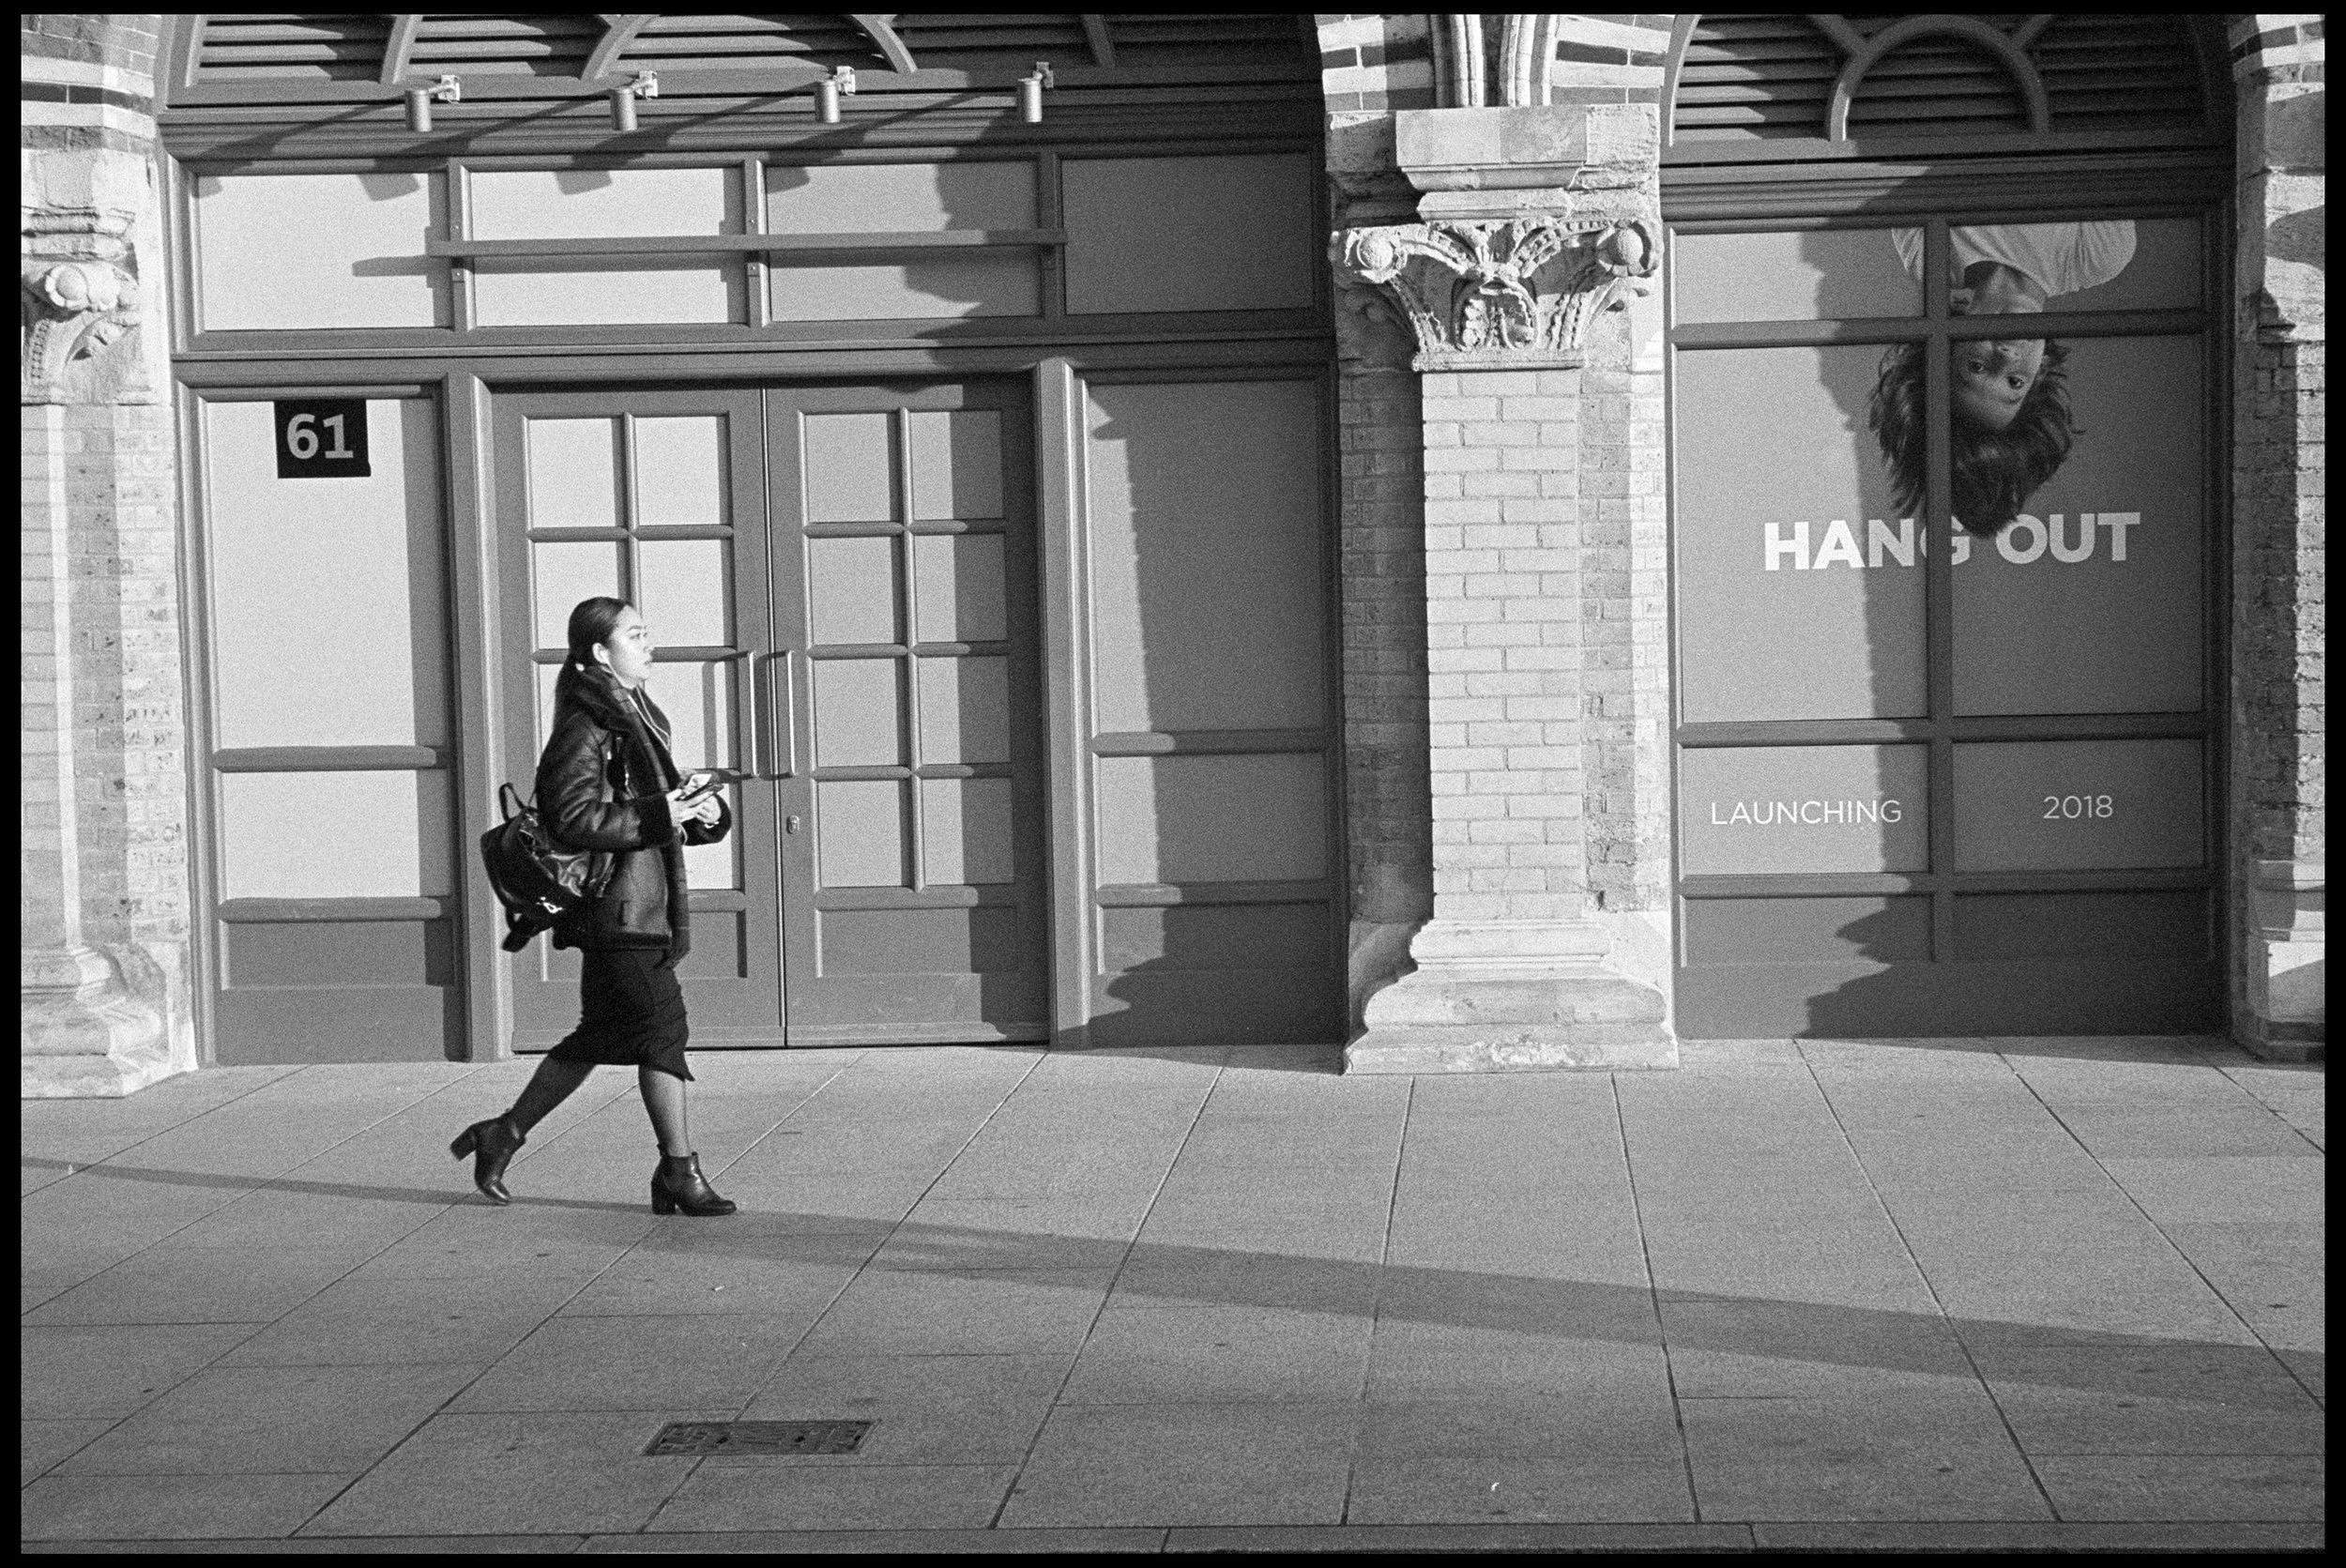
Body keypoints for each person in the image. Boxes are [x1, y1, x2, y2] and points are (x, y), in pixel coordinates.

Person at [449, 597, 737, 1215]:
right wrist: (661, 813)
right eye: (635, 635)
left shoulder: (640, 718)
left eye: (646, 632)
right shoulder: (586, 727)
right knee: (662, 1031)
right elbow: (572, 817)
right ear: (601, 653)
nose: (649, 644)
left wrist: (702, 811)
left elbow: (654, 813)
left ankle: (502, 1133)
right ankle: (678, 1171)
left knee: (599, 1035)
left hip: (642, 902)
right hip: (616, 909)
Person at [1868, 221, 2136, 535]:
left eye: (1978, 366)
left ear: (1945, 349)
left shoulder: (1929, 256)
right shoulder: (2097, 257)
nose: (2008, 354)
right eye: (2015, 382)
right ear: (2040, 371)